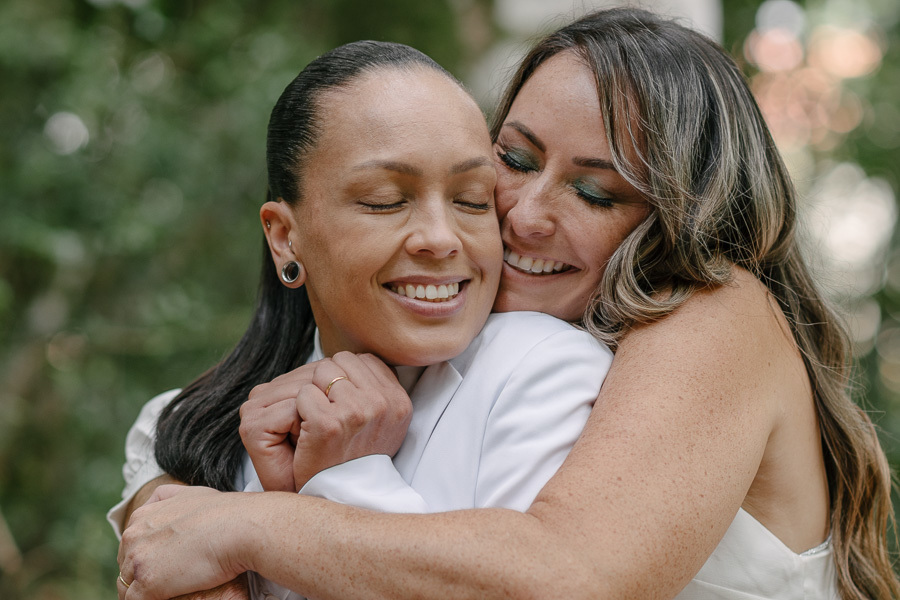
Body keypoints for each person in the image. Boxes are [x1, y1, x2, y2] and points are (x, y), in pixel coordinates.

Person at [116, 8, 900, 600]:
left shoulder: (717, 312)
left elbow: (572, 574)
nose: (521, 214)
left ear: (684, 217)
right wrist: (177, 499)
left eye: (594, 191)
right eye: (513, 160)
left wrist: (253, 529)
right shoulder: (461, 344)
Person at [109, 40, 613, 600]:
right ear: (283, 235)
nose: (441, 238)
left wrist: (348, 478)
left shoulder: (543, 367)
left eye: (472, 200)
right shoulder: (199, 426)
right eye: (383, 200)